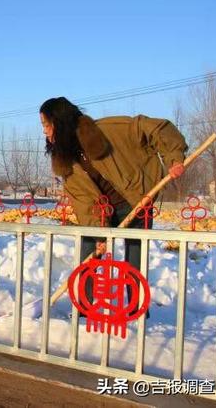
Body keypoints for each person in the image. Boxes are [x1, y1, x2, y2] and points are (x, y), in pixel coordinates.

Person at [40, 97, 188, 314]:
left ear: (60, 122)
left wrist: (174, 158)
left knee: (135, 259)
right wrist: (99, 235)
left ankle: (136, 312)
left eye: (46, 124)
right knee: (88, 251)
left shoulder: (109, 130)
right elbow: (83, 201)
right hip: (102, 211)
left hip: (137, 200)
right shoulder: (65, 160)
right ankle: (84, 311)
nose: (44, 131)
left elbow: (157, 128)